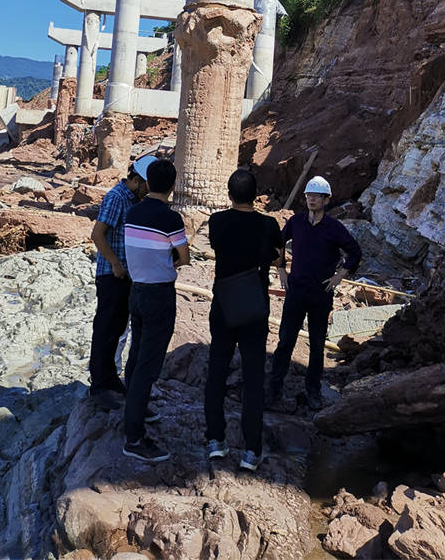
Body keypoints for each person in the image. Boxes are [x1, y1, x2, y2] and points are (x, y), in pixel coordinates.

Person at [204, 168, 282, 473]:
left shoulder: (217, 221)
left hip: (223, 303)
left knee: (217, 370)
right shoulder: (268, 224)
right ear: (255, 195)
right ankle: (251, 451)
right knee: (253, 377)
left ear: (229, 194)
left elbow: (218, 247)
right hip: (254, 305)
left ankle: (215, 440)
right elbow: (277, 258)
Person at [268, 175, 361, 412]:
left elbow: (355, 252)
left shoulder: (334, 228)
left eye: (317, 196)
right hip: (296, 290)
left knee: (317, 344)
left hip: (321, 293)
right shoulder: (296, 222)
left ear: (326, 200)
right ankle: (274, 389)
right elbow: (277, 243)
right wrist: (281, 269)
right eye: (309, 195)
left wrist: (340, 275)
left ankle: (313, 391)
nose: (311, 199)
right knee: (285, 340)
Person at [122, 158, 189, 462]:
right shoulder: (171, 218)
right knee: (148, 365)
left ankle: (133, 410)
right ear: (173, 185)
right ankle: (134, 438)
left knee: (137, 354)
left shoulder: (133, 211)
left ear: (147, 183)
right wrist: (170, 259)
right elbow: (184, 257)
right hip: (159, 295)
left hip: (136, 291)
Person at [88, 154, 156, 411]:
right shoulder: (116, 198)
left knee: (116, 329)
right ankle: (99, 386)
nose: (148, 191)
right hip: (111, 275)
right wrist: (115, 263)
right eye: (147, 186)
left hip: (125, 275)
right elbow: (97, 234)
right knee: (105, 329)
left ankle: (110, 379)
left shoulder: (133, 200)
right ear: (137, 180)